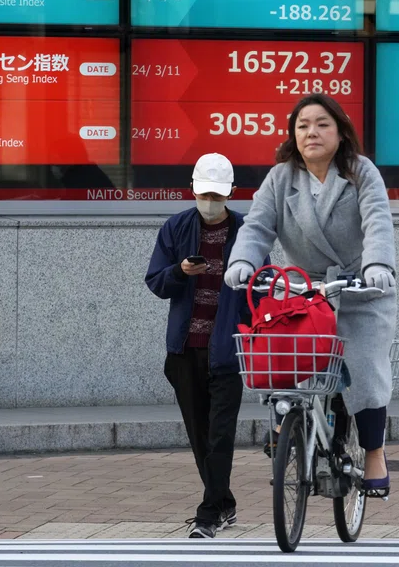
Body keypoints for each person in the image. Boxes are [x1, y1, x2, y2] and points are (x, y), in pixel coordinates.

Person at [224, 93, 397, 497]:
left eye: (321, 124)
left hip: (358, 288)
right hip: (303, 287)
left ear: (339, 131)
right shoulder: (281, 177)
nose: (311, 132)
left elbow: (378, 222)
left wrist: (378, 266)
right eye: (303, 126)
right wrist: (243, 262)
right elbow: (256, 226)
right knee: (285, 354)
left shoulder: (360, 172)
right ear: (293, 135)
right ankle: (290, 423)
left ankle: (374, 452)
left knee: (367, 370)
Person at [145, 153, 268, 539]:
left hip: (228, 351)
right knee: (200, 435)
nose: (210, 202)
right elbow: (155, 283)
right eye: (204, 194)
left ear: (231, 193)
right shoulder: (177, 227)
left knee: (220, 435)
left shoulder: (248, 232)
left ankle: (207, 514)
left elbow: (262, 287)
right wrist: (179, 272)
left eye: (217, 195)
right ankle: (224, 501)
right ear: (194, 192)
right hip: (185, 349)